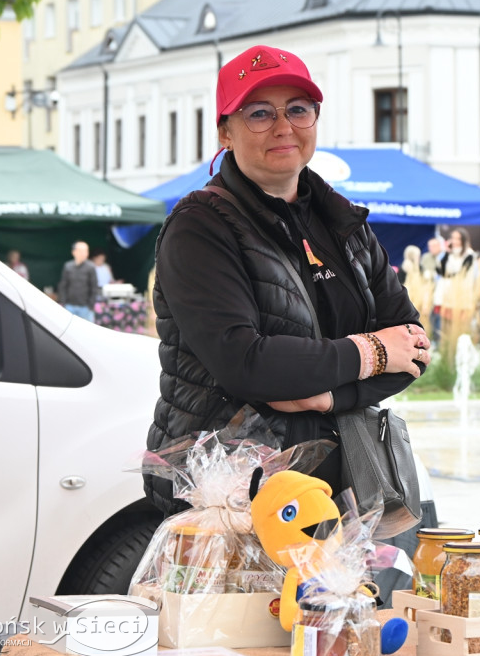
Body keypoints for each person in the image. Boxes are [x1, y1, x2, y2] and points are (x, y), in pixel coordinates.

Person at [145, 44, 431, 516]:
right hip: (227, 492)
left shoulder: (341, 220)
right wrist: (371, 352)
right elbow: (246, 362)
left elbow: (413, 348)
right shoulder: (200, 225)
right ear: (225, 131)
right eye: (259, 113)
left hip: (334, 487)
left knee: (333, 594)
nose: (284, 127)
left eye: (298, 109)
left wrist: (329, 396)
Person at [57, 241, 98, 321]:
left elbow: (94, 287)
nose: (85, 253)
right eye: (82, 251)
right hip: (70, 306)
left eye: (86, 251)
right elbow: (63, 285)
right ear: (74, 252)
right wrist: (64, 302)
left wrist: (90, 305)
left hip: (85, 307)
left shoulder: (90, 267)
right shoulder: (68, 266)